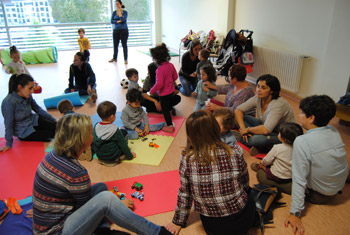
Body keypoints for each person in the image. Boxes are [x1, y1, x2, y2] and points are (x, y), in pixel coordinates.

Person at [32, 113, 173, 235]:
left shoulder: (53, 155)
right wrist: (118, 203)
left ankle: (101, 230)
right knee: (106, 199)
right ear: (81, 139)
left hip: (57, 217)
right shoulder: (76, 172)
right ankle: (156, 232)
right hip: (59, 231)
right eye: (89, 132)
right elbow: (88, 204)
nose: (92, 135)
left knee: (100, 187)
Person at [165, 110, 256, 235]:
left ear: (190, 134)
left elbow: (185, 193)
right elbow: (245, 183)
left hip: (214, 227)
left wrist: (178, 221)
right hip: (242, 220)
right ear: (215, 128)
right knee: (250, 193)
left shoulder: (187, 158)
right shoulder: (235, 151)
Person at [285, 95, 348, 235]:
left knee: (266, 176)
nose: (299, 115)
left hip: (322, 194)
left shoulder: (302, 141)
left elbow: (299, 179)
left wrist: (295, 213)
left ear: (311, 118)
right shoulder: (333, 130)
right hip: (338, 184)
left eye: (302, 113)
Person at [235, 74, 295, 155]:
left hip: (281, 135)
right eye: (258, 86)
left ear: (272, 91)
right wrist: (243, 129)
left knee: (257, 139)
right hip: (266, 126)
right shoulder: (258, 97)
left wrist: (248, 130)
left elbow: (266, 130)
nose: (258, 90)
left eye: (263, 88)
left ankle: (245, 140)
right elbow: (238, 110)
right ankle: (257, 145)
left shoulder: (278, 104)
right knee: (237, 117)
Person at [0, 74, 56, 152]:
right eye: (30, 88)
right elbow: (8, 123)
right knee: (52, 135)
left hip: (33, 121)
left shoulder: (27, 96)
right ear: (19, 87)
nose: (32, 91)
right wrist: (8, 143)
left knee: (58, 126)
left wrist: (53, 119)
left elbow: (37, 109)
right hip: (24, 132)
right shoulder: (9, 102)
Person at [251, 122, 303, 194]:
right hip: (289, 177)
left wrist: (262, 164)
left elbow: (267, 160)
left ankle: (258, 167)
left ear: (283, 138)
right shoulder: (300, 150)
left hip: (274, 175)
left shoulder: (277, 147)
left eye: (279, 133)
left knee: (262, 170)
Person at [93, 101, 136, 167]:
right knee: (123, 132)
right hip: (113, 158)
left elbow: (94, 142)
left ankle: (104, 159)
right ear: (112, 116)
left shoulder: (96, 126)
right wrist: (130, 156)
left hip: (100, 157)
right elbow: (123, 145)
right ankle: (121, 157)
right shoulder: (115, 129)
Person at [150, 43, 181, 133]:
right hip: (171, 91)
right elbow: (175, 77)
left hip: (163, 93)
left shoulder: (159, 69)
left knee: (165, 110)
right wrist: (169, 81)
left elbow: (159, 84)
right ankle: (170, 112)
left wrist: (152, 91)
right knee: (167, 104)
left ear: (156, 58)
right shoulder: (170, 65)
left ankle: (170, 126)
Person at [109, 0, 129, 64]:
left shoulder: (125, 12)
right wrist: (118, 21)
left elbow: (123, 20)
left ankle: (125, 59)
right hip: (116, 30)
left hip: (124, 30)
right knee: (115, 45)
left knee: (124, 45)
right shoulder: (114, 13)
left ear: (121, 4)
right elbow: (112, 21)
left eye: (118, 4)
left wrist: (120, 14)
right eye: (116, 4)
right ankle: (115, 58)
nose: (117, 6)